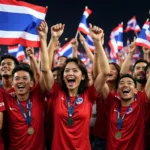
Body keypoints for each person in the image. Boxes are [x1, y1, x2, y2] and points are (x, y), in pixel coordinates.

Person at [46, 23, 110, 150]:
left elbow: (105, 72)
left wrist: (97, 42)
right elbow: (45, 69)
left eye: (75, 71)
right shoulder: (56, 92)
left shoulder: (89, 94)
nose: (70, 73)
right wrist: (52, 39)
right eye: (67, 71)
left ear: (83, 76)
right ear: (62, 76)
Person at [0, 21, 53, 150]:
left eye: (25, 78)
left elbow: (44, 71)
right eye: (17, 78)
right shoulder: (5, 96)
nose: (20, 81)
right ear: (13, 83)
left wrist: (44, 38)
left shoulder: (38, 94)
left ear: (31, 83)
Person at [94, 72, 150, 150]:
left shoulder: (142, 104)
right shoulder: (112, 102)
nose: (125, 85)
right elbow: (102, 75)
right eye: (122, 83)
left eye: (129, 83)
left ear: (135, 91)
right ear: (117, 91)